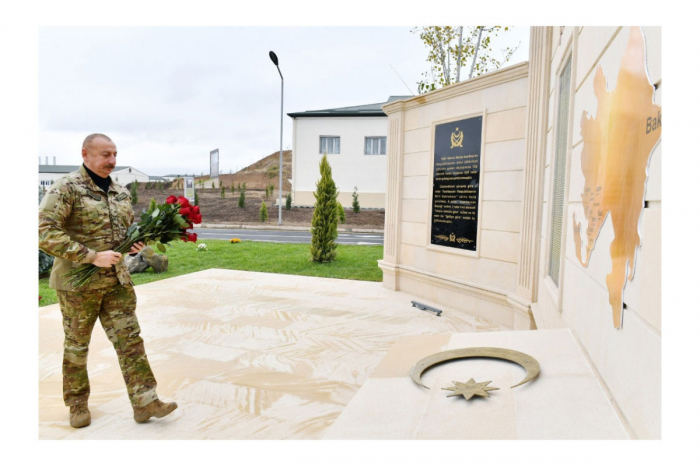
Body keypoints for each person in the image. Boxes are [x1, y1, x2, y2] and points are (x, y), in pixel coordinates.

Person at [39, 133, 177, 428]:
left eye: (115, 154)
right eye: (105, 155)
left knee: (130, 342)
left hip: (116, 282)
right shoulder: (67, 188)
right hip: (78, 284)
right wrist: (91, 256)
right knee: (77, 345)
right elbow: (44, 232)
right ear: (85, 154)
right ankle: (76, 404)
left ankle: (145, 401)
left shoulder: (120, 191)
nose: (112, 161)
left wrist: (134, 244)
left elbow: (123, 233)